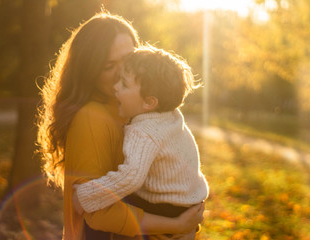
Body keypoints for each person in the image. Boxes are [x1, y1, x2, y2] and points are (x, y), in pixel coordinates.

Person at [37, 11, 204, 240]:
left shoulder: (136, 111)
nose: (122, 73)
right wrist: (176, 225)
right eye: (109, 66)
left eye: (128, 60)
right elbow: (98, 214)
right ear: (89, 71)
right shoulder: (91, 118)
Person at [73, 45, 209, 240]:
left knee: (119, 216)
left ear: (149, 103)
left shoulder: (143, 131)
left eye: (124, 84)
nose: (116, 87)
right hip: (186, 204)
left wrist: (86, 196)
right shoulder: (170, 116)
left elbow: (130, 176)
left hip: (162, 208)